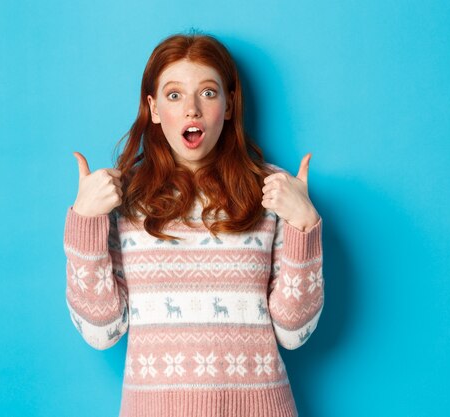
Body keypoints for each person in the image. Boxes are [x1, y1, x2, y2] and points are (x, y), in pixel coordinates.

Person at [63, 30, 324, 417]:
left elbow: (293, 333)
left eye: (207, 92)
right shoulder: (122, 199)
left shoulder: (272, 193)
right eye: (174, 95)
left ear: (230, 104)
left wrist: (305, 225)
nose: (191, 110)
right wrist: (85, 222)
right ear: (153, 109)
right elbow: (102, 332)